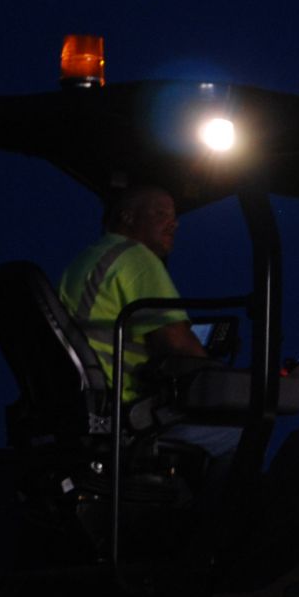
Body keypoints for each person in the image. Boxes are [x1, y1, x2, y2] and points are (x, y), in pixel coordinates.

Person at [57, 184, 242, 466]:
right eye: (160, 213)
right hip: (125, 415)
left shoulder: (86, 261)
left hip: (86, 412)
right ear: (128, 217)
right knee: (242, 430)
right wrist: (229, 383)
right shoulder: (136, 258)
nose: (173, 224)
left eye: (174, 216)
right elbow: (176, 342)